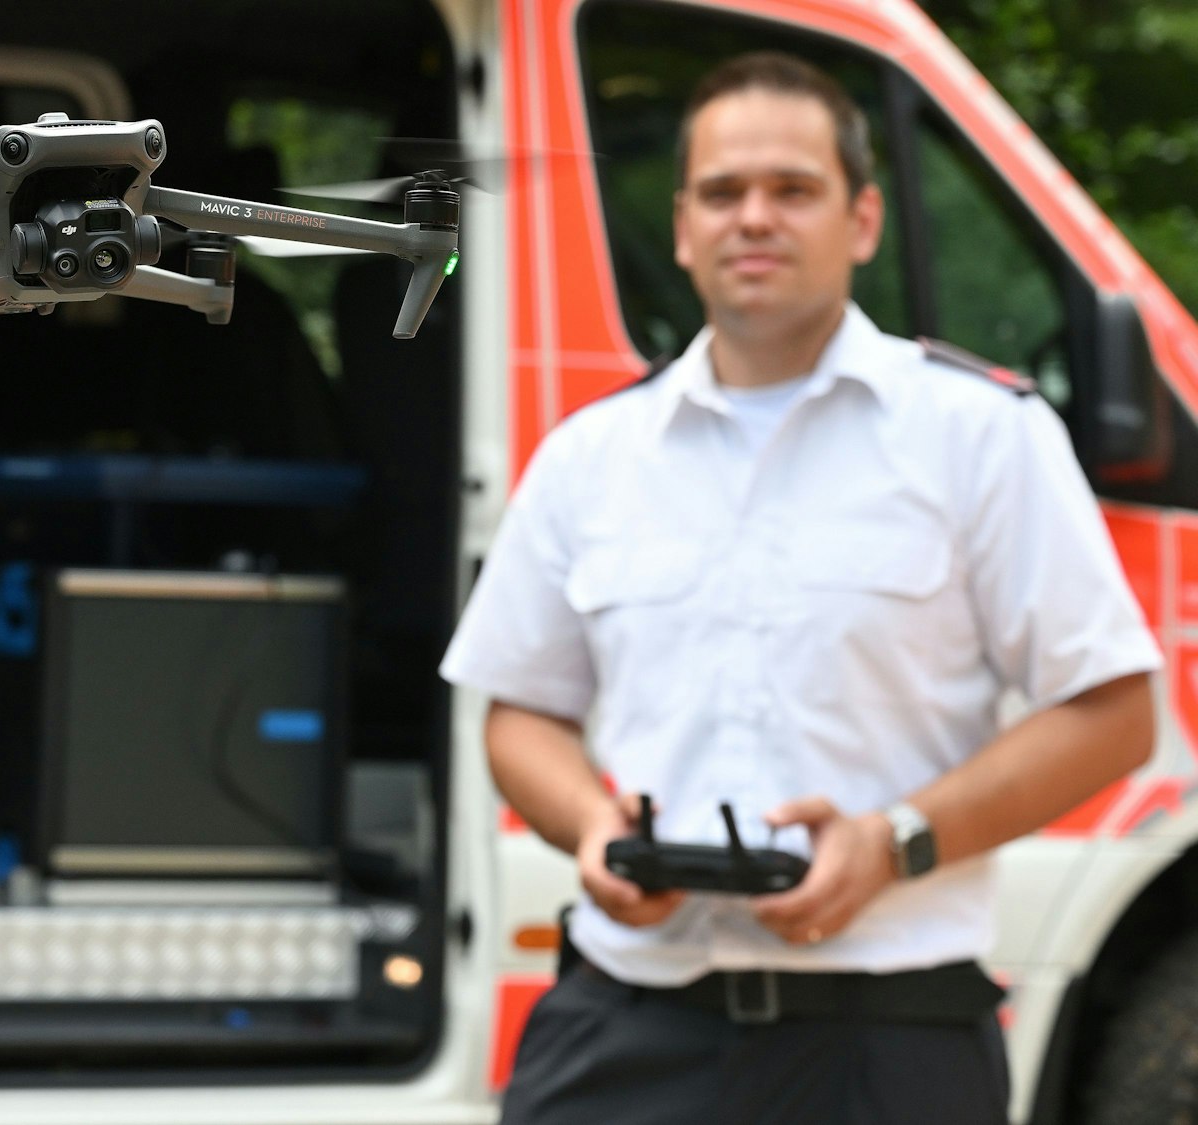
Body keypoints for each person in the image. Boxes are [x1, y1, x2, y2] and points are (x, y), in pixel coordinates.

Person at [440, 51, 1160, 1123]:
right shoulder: (591, 456)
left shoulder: (981, 439)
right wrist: (591, 827)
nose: (753, 218)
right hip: (626, 1030)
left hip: (889, 1046)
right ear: (680, 227)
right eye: (721, 193)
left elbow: (1112, 717)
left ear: (861, 220)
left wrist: (895, 841)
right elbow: (517, 715)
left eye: (792, 189)